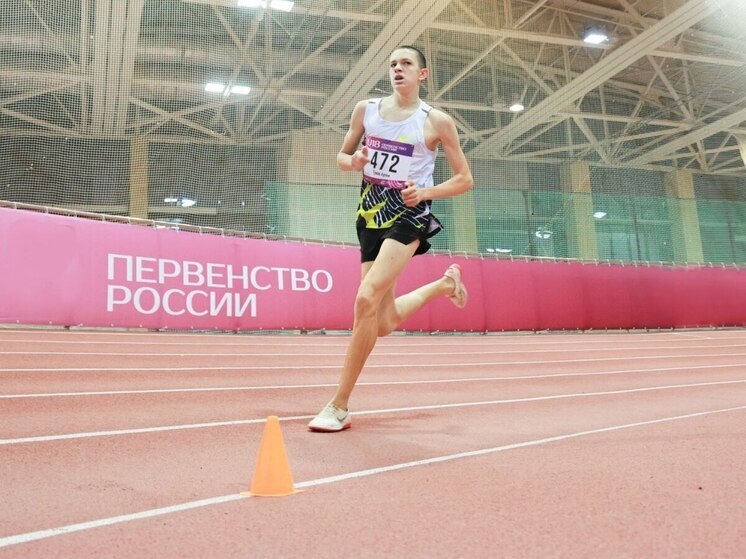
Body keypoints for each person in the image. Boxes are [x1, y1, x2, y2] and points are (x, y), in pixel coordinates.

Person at [308, 44, 474, 432]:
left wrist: (425, 192)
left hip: (409, 215)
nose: (398, 69)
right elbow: (342, 157)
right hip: (370, 214)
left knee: (365, 298)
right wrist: (352, 161)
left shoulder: (436, 121)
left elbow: (465, 179)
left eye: (406, 64)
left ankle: (339, 405)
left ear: (422, 74)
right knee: (381, 321)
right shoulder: (366, 110)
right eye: (393, 64)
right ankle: (444, 286)